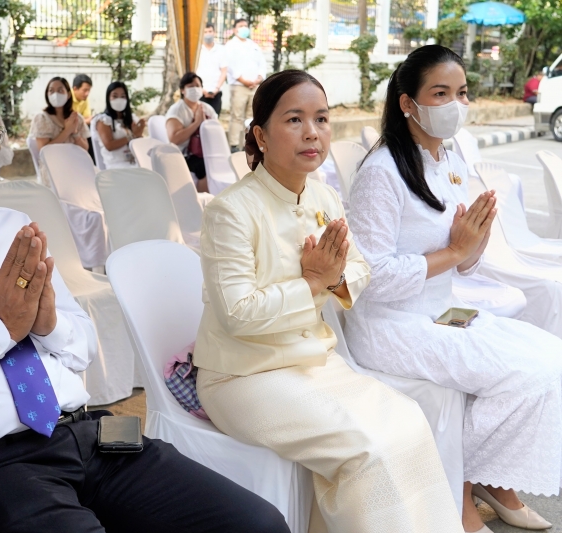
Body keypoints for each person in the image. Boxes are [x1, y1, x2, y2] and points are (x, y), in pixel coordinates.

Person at [0, 48, 292, 533]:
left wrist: (47, 324)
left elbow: (83, 347)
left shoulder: (13, 226)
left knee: (257, 523)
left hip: (93, 434)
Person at [194, 69, 464, 533]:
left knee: (409, 423)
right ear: (260, 134)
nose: (312, 132)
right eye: (294, 119)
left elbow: (360, 272)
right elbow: (238, 315)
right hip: (244, 375)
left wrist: (332, 280)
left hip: (316, 362)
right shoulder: (230, 212)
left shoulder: (324, 196)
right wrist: (314, 285)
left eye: (321, 119)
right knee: (367, 450)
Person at [345, 45, 561, 533]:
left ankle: (489, 476)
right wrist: (455, 253)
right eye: (439, 93)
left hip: (441, 311)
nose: (454, 105)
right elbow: (371, 279)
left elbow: (462, 261)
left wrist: (475, 242)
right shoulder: (382, 172)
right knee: (523, 374)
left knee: (553, 360)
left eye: (461, 93)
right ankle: (462, 491)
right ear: (407, 103)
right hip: (392, 324)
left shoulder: (450, 158)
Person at [165, 72, 217, 193]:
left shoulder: (207, 108)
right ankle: (202, 202)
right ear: (182, 90)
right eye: (190, 86)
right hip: (184, 155)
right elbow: (174, 139)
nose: (195, 89)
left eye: (198, 86)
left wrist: (206, 126)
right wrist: (196, 123)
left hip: (206, 152)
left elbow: (216, 134)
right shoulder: (177, 110)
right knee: (204, 167)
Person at [224, 18, 266, 152]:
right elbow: (230, 65)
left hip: (254, 87)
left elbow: (262, 64)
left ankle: (248, 144)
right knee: (237, 116)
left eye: (245, 26)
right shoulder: (230, 45)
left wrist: (258, 78)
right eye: (241, 26)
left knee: (251, 117)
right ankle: (234, 145)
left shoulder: (253, 45)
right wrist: (243, 80)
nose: (244, 28)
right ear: (235, 29)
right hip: (239, 86)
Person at [29, 76, 89, 153]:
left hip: (75, 162)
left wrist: (75, 133)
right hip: (52, 164)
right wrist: (67, 131)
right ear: (47, 94)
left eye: (60, 90)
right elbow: (44, 151)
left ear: (68, 95)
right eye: (51, 91)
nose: (56, 94)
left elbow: (85, 148)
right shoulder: (42, 118)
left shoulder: (76, 118)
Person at [95, 81, 145, 169]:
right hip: (115, 166)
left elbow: (139, 143)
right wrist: (132, 135)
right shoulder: (103, 120)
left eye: (123, 96)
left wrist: (139, 133)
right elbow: (109, 145)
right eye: (115, 96)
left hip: (134, 162)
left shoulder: (131, 118)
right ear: (108, 98)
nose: (119, 99)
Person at [197, 23, 228, 115]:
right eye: (205, 32)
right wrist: (201, 89)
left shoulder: (221, 50)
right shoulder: (197, 50)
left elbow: (224, 71)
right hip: (200, 92)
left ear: (214, 32)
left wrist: (216, 89)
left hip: (216, 92)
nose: (208, 34)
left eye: (210, 31)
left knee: (214, 120)